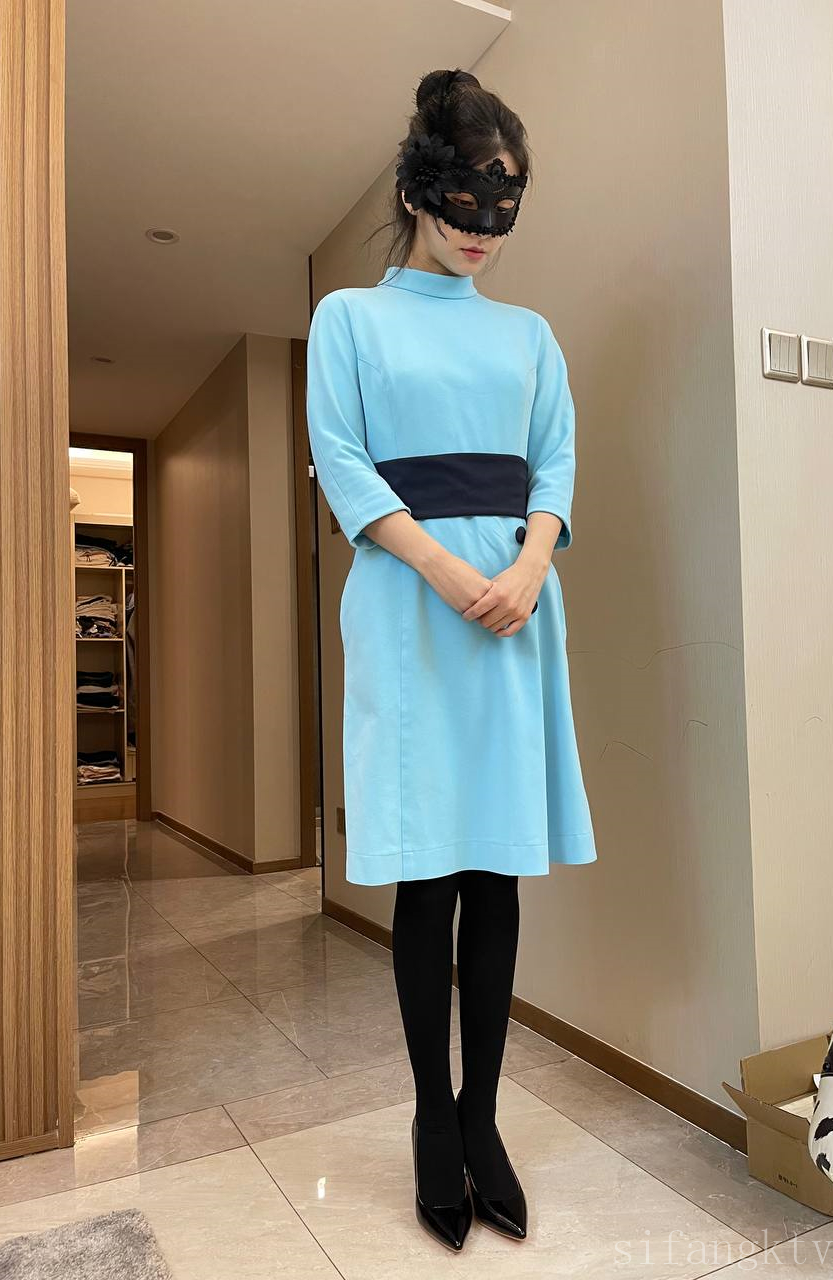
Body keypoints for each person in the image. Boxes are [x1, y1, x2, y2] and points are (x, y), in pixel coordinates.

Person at [306, 67, 597, 1252]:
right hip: (409, 600)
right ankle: (435, 1115)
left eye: (503, 205)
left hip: (515, 611)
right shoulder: (350, 319)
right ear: (418, 191)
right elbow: (342, 457)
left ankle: (484, 1115)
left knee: (497, 868)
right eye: (464, 199)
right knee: (428, 871)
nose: (483, 227)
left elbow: (555, 459)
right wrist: (440, 566)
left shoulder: (530, 336)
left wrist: (530, 562)